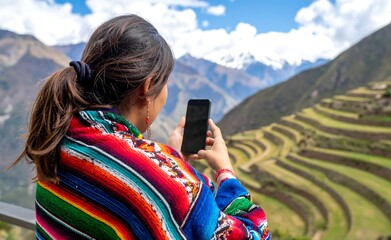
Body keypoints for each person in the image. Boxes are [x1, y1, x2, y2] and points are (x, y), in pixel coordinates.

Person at [14, 14, 271, 239]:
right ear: (148, 86)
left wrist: (173, 159)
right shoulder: (171, 185)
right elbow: (253, 234)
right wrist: (225, 172)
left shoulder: (58, 134)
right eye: (166, 82)